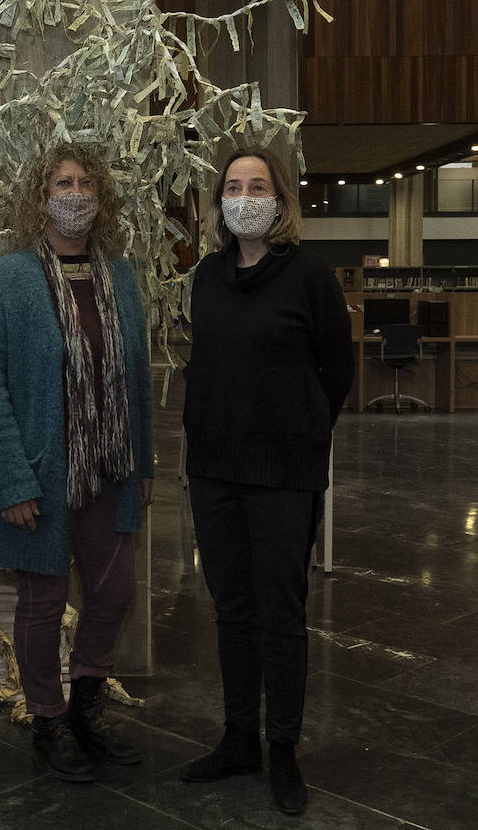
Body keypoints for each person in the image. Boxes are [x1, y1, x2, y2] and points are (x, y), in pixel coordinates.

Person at [0, 142, 153, 783]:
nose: (74, 194)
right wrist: (14, 478)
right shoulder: (10, 277)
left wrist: (146, 465)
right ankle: (47, 718)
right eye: (61, 183)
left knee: (115, 592)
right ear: (40, 197)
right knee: (42, 606)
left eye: (84, 184)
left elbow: (138, 380)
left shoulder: (121, 276)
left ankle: (86, 709)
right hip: (42, 475)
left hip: (109, 469)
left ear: (101, 198)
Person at [179, 149, 353, 815]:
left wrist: (301, 431)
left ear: (281, 199)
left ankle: (282, 747)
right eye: (232, 186)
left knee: (281, 614)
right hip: (214, 472)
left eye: (257, 186)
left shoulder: (309, 275)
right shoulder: (207, 277)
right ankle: (238, 738)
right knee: (231, 609)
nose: (243, 196)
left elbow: (335, 372)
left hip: (283, 475)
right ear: (219, 200)